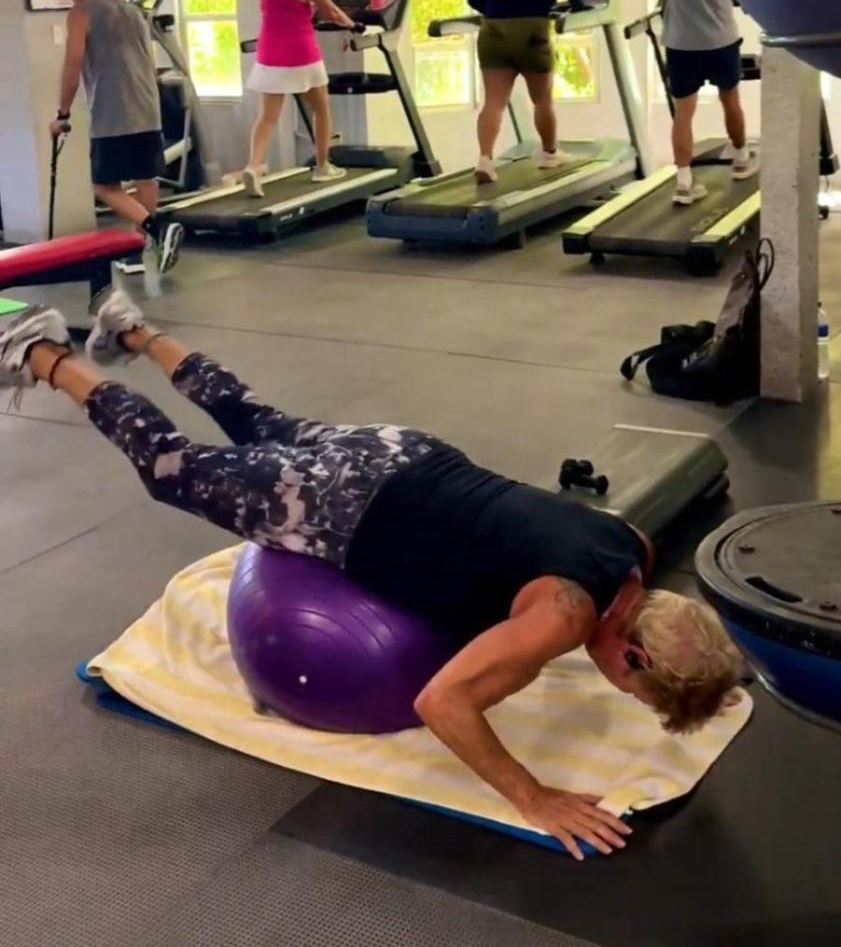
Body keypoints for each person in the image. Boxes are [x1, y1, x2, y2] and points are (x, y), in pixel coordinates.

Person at [0, 293, 744, 861]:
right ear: (632, 653)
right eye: (632, 688)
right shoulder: (564, 614)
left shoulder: (631, 547)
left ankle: (130, 327)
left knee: (252, 415)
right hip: (340, 506)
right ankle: (42, 351)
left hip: (402, 452)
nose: (621, 691)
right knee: (170, 465)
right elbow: (441, 702)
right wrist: (534, 796)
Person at [50, 0, 183, 275]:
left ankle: (156, 228)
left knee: (104, 186)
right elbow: (149, 62)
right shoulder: (133, 11)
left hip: (112, 112)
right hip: (147, 106)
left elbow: (72, 63)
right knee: (145, 178)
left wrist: (62, 113)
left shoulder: (80, 13)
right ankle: (142, 251)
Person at [656, 0, 758, 206]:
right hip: (719, 37)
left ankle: (684, 182)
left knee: (683, 112)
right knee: (730, 100)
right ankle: (741, 158)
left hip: (680, 40)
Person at [467, 0, 588, 185]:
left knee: (494, 102)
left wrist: (498, 8)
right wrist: (578, 6)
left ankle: (485, 159)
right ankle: (549, 153)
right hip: (532, 34)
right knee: (542, 100)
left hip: (492, 34)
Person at [243, 0, 356, 197]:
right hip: (300, 53)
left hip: (269, 54)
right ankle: (322, 166)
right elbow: (330, 11)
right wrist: (354, 25)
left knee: (267, 117)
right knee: (321, 108)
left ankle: (253, 167)